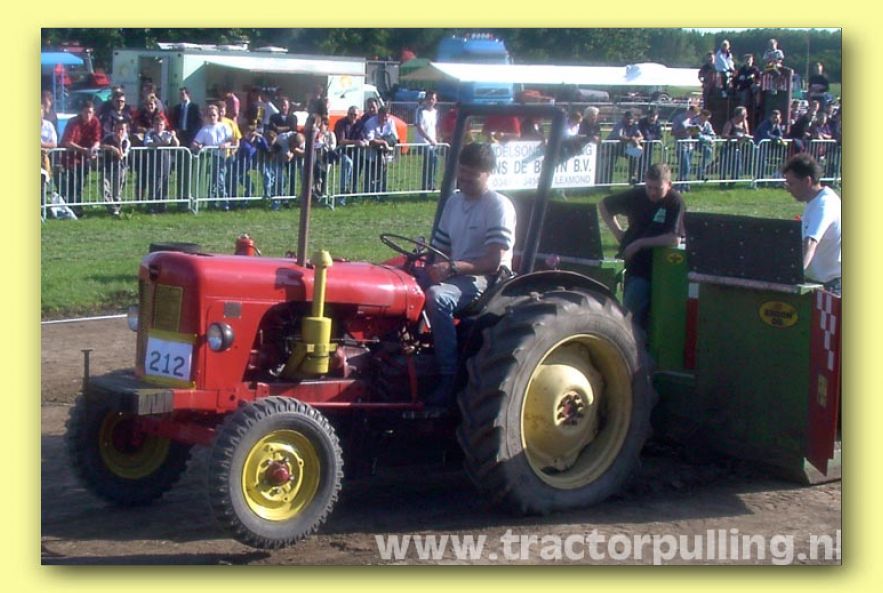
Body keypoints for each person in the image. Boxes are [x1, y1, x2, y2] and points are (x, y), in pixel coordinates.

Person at [424, 142, 517, 409]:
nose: (463, 179)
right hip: (457, 271)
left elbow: (492, 261)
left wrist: (451, 269)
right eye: (461, 172)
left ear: (488, 174)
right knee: (406, 284)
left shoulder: (498, 205)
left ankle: (448, 376)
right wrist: (437, 268)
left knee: (438, 297)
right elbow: (441, 249)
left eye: (471, 175)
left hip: (487, 278)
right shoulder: (454, 202)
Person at [599, 163, 685, 329]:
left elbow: (674, 239)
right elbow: (604, 205)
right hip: (635, 265)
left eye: (658, 188)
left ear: (669, 184)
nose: (652, 192)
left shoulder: (675, 202)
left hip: (659, 268)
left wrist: (639, 243)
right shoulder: (637, 195)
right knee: (622, 311)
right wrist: (619, 234)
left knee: (633, 316)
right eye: (649, 187)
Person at [782, 154, 840, 295]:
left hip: (830, 288)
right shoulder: (814, 202)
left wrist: (793, 278)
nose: (787, 189)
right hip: (819, 282)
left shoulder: (824, 205)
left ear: (807, 181)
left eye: (791, 183)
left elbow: (810, 242)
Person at [60, 100, 102, 214]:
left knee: (81, 182)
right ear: (81, 112)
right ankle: (70, 206)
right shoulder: (73, 122)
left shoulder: (95, 121)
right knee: (72, 183)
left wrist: (93, 148)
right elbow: (68, 142)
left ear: (93, 113)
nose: (87, 115)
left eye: (90, 112)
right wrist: (83, 150)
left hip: (84, 158)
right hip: (69, 158)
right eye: (85, 112)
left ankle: (77, 205)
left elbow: (97, 139)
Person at [191, 104, 234, 210]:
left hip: (223, 157)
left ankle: (223, 202)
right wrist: (198, 146)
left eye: (214, 115)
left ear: (218, 115)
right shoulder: (204, 129)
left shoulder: (224, 126)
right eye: (210, 115)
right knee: (214, 181)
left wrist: (226, 145)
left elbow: (231, 140)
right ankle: (214, 203)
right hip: (210, 157)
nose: (212, 117)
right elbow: (195, 143)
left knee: (220, 180)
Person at [141, 114, 179, 213]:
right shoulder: (150, 133)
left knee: (165, 184)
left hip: (166, 162)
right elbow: (148, 144)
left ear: (164, 125)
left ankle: (163, 206)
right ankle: (152, 207)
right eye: (156, 124)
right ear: (153, 125)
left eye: (161, 124)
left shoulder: (167, 134)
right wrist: (162, 144)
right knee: (154, 184)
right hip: (154, 162)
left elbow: (176, 145)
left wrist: (174, 137)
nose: (159, 126)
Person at [170, 87, 201, 199]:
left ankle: (189, 192)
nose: (181, 96)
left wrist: (195, 137)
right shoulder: (177, 108)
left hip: (191, 137)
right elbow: (174, 121)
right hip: (180, 137)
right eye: (180, 94)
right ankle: (180, 194)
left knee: (189, 165)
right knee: (181, 165)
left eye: (183, 94)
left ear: (188, 94)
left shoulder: (194, 107)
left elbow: (198, 123)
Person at [363, 105, 398, 194]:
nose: (384, 118)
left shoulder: (391, 122)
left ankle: (382, 192)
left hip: (383, 154)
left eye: (386, 116)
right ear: (378, 114)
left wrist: (381, 141)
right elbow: (370, 140)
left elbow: (394, 138)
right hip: (370, 154)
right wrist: (384, 142)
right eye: (382, 116)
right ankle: (368, 193)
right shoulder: (370, 123)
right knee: (370, 173)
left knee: (383, 172)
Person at [333, 105, 365, 200]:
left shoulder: (360, 124)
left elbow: (362, 138)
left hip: (354, 152)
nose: (353, 116)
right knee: (348, 163)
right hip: (339, 151)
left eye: (355, 115)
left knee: (360, 162)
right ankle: (342, 194)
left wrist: (365, 141)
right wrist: (355, 142)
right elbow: (341, 141)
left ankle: (353, 192)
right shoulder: (341, 123)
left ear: (358, 116)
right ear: (347, 114)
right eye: (351, 114)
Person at [100, 119, 131, 216]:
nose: (120, 131)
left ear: (126, 130)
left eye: (122, 129)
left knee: (117, 190)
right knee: (104, 187)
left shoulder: (126, 141)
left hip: (120, 167)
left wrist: (119, 143)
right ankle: (111, 207)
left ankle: (117, 208)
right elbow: (101, 145)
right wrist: (112, 148)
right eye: (118, 129)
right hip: (107, 166)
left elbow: (121, 156)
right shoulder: (108, 137)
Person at [606, 110, 643, 185]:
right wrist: (631, 139)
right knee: (610, 164)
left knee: (634, 157)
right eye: (628, 118)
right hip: (613, 147)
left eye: (631, 118)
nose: (630, 120)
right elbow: (619, 136)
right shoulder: (619, 124)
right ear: (624, 118)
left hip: (624, 147)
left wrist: (636, 139)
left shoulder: (634, 125)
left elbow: (641, 136)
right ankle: (607, 182)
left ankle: (632, 178)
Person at [671, 104, 701, 191]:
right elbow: (673, 132)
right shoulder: (678, 118)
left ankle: (684, 185)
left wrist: (695, 131)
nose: (694, 116)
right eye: (694, 114)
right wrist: (684, 131)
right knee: (685, 166)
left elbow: (692, 132)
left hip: (690, 145)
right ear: (689, 111)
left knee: (687, 167)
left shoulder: (692, 120)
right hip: (681, 146)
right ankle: (680, 184)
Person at [415, 90, 439, 191]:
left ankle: (431, 184)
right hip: (423, 142)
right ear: (425, 100)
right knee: (429, 162)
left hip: (433, 143)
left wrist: (436, 139)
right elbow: (419, 127)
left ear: (436, 101)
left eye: (432, 99)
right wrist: (429, 139)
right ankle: (426, 187)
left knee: (434, 163)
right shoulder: (420, 111)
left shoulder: (436, 112)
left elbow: (435, 127)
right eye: (428, 99)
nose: (430, 101)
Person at [720, 106, 751, 182]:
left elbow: (747, 133)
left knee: (737, 167)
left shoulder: (744, 123)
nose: (746, 116)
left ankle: (733, 182)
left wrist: (746, 136)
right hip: (728, 148)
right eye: (744, 114)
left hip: (738, 147)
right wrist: (736, 137)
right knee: (725, 166)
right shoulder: (730, 123)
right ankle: (722, 182)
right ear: (738, 115)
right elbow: (724, 135)